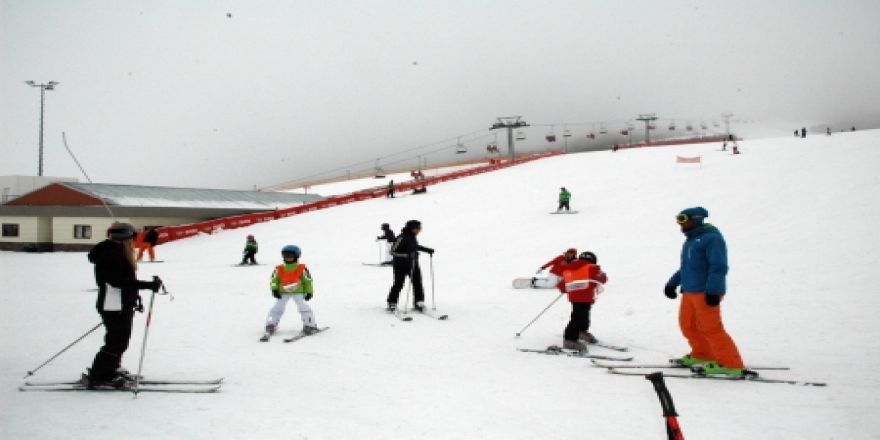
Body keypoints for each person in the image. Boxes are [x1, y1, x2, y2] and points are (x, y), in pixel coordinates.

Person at [664, 207, 749, 377]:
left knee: (711, 328)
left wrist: (713, 290)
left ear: (696, 219)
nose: (680, 223)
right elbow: (687, 268)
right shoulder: (690, 241)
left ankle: (731, 364)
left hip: (705, 291)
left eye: (682, 219)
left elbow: (718, 267)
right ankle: (702, 354)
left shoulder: (712, 239)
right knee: (688, 326)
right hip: (689, 291)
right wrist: (672, 283)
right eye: (678, 219)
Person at [86, 222, 162, 388]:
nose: (135, 240)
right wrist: (147, 285)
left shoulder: (116, 251)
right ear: (126, 237)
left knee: (120, 340)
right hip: (113, 304)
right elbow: (118, 281)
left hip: (120, 303)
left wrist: (135, 297)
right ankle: (100, 375)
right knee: (116, 341)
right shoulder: (111, 253)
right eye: (133, 237)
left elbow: (124, 281)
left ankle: (111, 369)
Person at [263, 245, 317, 339]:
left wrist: (309, 291)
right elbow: (274, 280)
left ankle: (310, 324)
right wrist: (274, 289)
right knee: (277, 307)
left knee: (303, 306)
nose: (288, 258)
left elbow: (308, 280)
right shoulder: (279, 268)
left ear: (296, 256)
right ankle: (271, 324)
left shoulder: (301, 268)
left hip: (298, 291)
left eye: (290, 255)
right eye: (285, 255)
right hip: (283, 292)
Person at [561, 251, 608, 351]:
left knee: (579, 316)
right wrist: (602, 275)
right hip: (585, 297)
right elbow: (603, 279)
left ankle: (581, 332)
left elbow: (562, 283)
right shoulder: (592, 267)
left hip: (575, 297)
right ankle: (569, 339)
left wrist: (565, 288)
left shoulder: (570, 267)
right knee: (580, 317)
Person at [386, 220, 434, 312]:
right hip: (400, 265)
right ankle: (392, 302)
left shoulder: (413, 237)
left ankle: (418, 302)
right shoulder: (401, 237)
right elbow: (392, 251)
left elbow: (414, 247)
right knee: (399, 283)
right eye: (418, 228)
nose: (420, 230)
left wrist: (427, 250)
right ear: (413, 228)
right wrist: (407, 255)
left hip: (413, 264)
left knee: (417, 282)